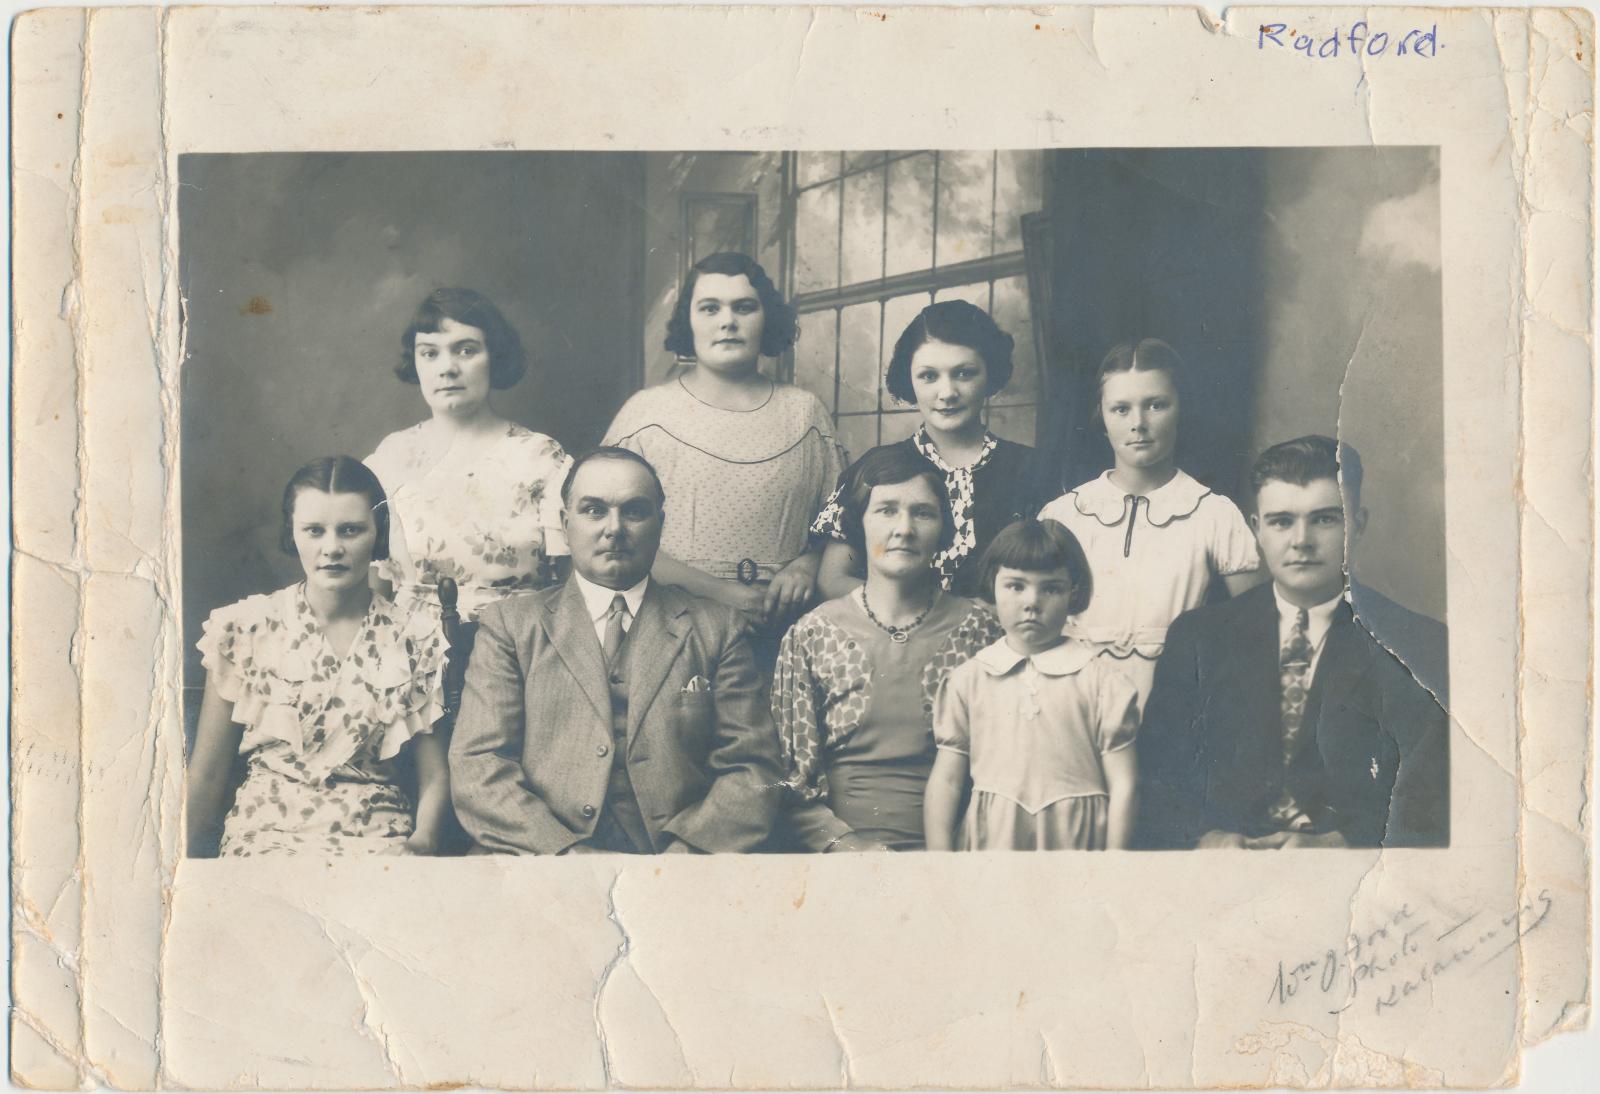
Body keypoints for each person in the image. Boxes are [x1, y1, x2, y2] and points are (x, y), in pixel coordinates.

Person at [448, 447, 783, 854]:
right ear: (564, 523)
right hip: (542, 859)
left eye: (635, 512)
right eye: (593, 510)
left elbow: (753, 768)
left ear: (660, 525)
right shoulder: (512, 626)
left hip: (675, 862)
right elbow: (479, 765)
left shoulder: (715, 628)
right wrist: (564, 852)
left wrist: (688, 853)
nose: (614, 529)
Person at [1136, 436, 1450, 850]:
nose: (1301, 540)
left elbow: (1430, 799)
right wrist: (1207, 840)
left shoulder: (1420, 645)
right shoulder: (1198, 637)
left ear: (1358, 525)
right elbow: (1157, 777)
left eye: (1324, 519)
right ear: (1257, 530)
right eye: (1282, 521)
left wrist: (1340, 844)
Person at [185, 457, 451, 857]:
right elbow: (206, 776)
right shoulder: (245, 629)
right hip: (265, 840)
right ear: (292, 534)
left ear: (377, 535)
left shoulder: (415, 636)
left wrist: (421, 844)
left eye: (351, 530)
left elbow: (434, 775)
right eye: (314, 531)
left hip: (381, 845)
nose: (332, 549)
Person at [602, 252, 845, 668]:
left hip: (782, 631)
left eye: (744, 307)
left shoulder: (806, 414)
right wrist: (723, 594)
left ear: (766, 319)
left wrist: (806, 567)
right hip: (671, 626)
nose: (727, 321)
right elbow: (612, 538)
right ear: (688, 322)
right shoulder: (645, 414)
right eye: (710, 308)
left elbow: (841, 527)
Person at [773, 447, 1003, 852]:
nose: (904, 528)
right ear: (857, 525)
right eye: (886, 511)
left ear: (945, 529)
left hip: (958, 856)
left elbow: (1004, 767)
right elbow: (790, 778)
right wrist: (847, 847)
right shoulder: (812, 634)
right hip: (841, 862)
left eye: (923, 513)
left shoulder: (982, 632)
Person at [1038, 338, 1261, 703]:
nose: (1138, 424)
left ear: (1180, 409)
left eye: (1156, 405)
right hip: (1072, 706)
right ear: (1102, 415)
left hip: (1171, 709)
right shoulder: (1062, 514)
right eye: (1121, 409)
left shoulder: (1214, 514)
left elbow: (1257, 632)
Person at [925, 519, 1140, 852]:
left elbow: (1124, 783)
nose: (1032, 602)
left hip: (1076, 844)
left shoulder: (1101, 683)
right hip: (994, 841)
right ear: (992, 586)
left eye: (1051, 588)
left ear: (1074, 592)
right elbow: (947, 781)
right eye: (1015, 586)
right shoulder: (969, 680)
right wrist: (940, 863)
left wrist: (1113, 865)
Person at [813, 299, 1051, 600]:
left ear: (989, 376)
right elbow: (833, 579)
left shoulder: (1034, 470)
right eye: (929, 376)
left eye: (964, 373)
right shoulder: (876, 469)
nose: (947, 393)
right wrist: (923, 614)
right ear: (909, 381)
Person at [365, 288, 572, 625]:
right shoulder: (390, 458)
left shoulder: (542, 458)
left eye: (466, 350)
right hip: (407, 649)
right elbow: (374, 590)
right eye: (430, 353)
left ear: (495, 356)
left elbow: (570, 583)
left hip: (521, 646)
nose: (447, 368)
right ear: (415, 363)